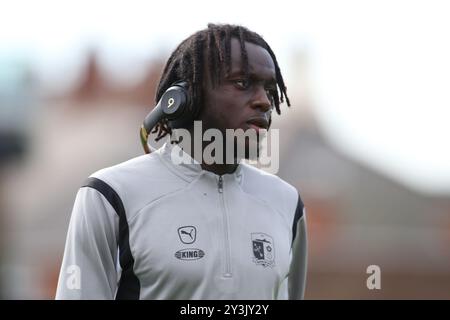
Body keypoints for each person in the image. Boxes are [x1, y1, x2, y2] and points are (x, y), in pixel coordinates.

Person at [55, 23, 307, 300]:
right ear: (182, 98)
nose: (264, 102)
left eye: (269, 89)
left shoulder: (286, 201)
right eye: (242, 83)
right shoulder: (110, 194)